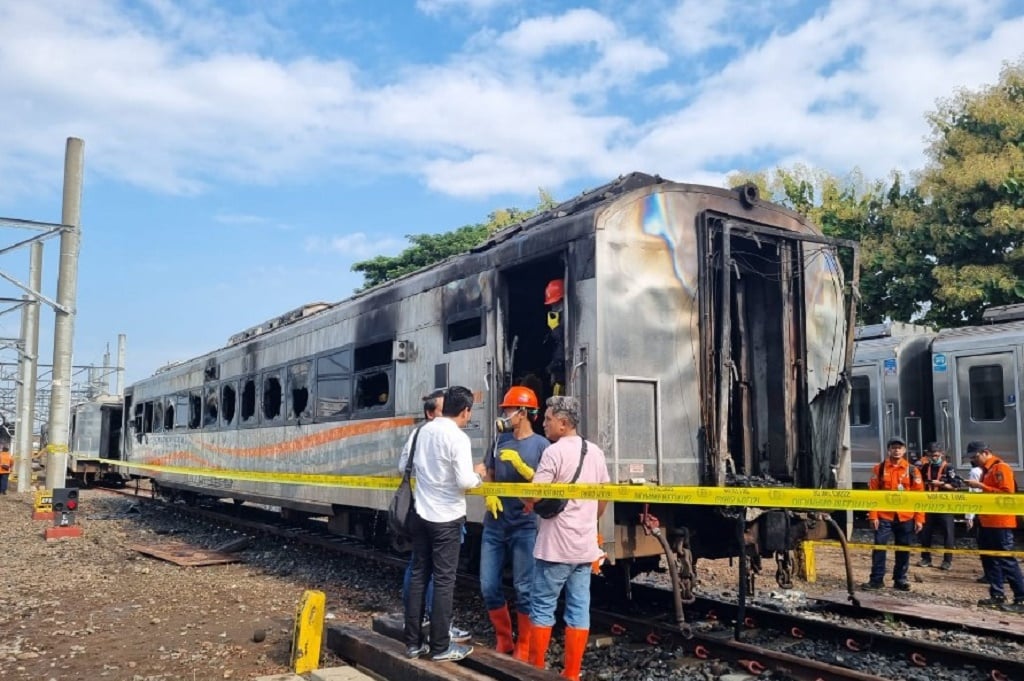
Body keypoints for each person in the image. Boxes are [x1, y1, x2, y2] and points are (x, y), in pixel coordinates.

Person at [526, 396, 609, 681]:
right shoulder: (595, 451)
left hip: (554, 548)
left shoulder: (553, 452)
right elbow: (603, 498)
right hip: (584, 548)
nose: (544, 423)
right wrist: (587, 520)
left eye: (548, 419)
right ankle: (572, 674)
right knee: (578, 609)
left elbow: (535, 494)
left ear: (563, 424)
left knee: (543, 607)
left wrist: (522, 490)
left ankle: (535, 671)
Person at [400, 386, 486, 662]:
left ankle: (413, 644)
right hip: (446, 519)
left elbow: (405, 466)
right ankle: (440, 647)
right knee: (444, 581)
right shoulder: (457, 438)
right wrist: (478, 475)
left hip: (421, 515)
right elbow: (464, 481)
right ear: (465, 411)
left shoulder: (422, 431)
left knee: (418, 575)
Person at [480, 386, 549, 660]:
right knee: (488, 585)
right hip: (495, 524)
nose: (505, 414)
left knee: (524, 588)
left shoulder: (541, 445)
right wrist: (490, 492)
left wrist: (523, 468)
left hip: (524, 525)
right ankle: (503, 637)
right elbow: (489, 473)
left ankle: (524, 644)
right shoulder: (499, 441)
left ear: (523, 413)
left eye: (509, 410)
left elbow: (546, 487)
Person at [964, 441, 1024, 609]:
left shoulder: (1001, 468)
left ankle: (1021, 597)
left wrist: (980, 486)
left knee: (1006, 559)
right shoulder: (987, 470)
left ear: (986, 452)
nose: (974, 460)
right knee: (990, 559)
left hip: (1000, 522)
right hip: (987, 521)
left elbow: (1006, 495)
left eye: (975, 456)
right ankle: (997, 594)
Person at [862, 436, 924, 591]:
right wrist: (873, 515)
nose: (896, 450)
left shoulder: (913, 470)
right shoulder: (879, 468)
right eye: (894, 447)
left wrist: (919, 518)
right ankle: (876, 580)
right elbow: (873, 494)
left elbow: (919, 496)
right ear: (889, 449)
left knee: (903, 548)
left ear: (904, 450)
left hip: (905, 517)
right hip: (884, 516)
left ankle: (900, 579)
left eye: (899, 447)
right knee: (879, 547)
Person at [917, 442, 958, 570]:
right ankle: (925, 558)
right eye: (930, 455)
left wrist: (941, 484)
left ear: (941, 454)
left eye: (935, 455)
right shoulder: (925, 467)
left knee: (948, 533)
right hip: (929, 505)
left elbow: (955, 486)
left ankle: (947, 560)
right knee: (925, 533)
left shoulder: (948, 468)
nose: (933, 457)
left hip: (944, 505)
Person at [964, 449, 987, 583]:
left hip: (980, 512)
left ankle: (989, 573)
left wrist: (969, 516)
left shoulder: (974, 472)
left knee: (984, 544)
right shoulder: (990, 469)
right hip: (990, 511)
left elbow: (973, 495)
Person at [543, 279, 566, 395]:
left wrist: (555, 328)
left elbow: (563, 341)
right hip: (559, 375)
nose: (553, 306)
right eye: (552, 304)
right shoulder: (559, 317)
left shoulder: (567, 318)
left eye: (555, 303)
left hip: (563, 373)